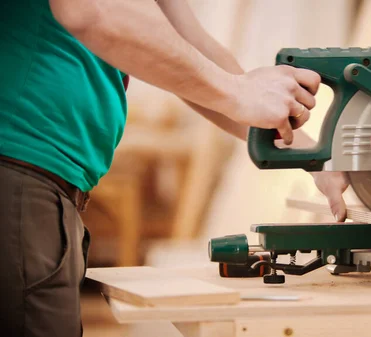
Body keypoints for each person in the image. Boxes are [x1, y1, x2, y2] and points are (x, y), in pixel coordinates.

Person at [0, 1, 349, 336]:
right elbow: (91, 9)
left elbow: (184, 47)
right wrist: (237, 90)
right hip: (18, 173)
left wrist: (315, 157)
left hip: (38, 182)